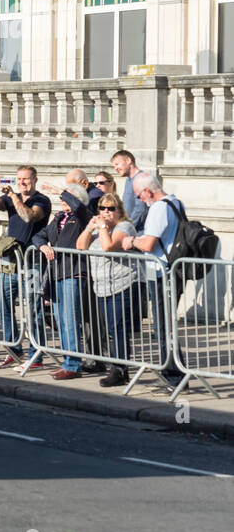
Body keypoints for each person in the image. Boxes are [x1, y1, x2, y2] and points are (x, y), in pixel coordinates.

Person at [0, 165, 52, 368]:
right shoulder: (9, 198)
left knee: (33, 310)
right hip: (11, 261)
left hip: (32, 263)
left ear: (35, 180)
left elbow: (28, 216)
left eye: (26, 179)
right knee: (2, 307)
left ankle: (36, 354)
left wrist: (13, 196)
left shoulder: (41, 200)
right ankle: (14, 349)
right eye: (19, 179)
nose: (22, 182)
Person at [120, 173, 186, 388]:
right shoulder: (176, 201)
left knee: (163, 327)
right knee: (166, 326)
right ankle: (175, 373)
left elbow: (148, 244)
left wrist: (131, 241)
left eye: (139, 195)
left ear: (148, 191)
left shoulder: (158, 207)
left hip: (162, 273)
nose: (139, 200)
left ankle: (174, 375)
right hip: (171, 271)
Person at [76, 195, 139, 388]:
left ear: (119, 210)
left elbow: (108, 247)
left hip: (122, 284)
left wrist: (102, 227)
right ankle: (118, 368)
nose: (106, 212)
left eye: (111, 208)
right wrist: (89, 228)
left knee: (118, 329)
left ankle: (119, 370)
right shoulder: (100, 229)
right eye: (102, 208)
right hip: (103, 287)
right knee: (111, 328)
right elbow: (80, 246)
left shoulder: (124, 227)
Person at [37, 183, 93, 379]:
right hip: (57, 273)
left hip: (74, 272)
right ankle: (67, 360)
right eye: (62, 198)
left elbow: (79, 208)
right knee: (61, 320)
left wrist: (60, 191)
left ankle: (73, 364)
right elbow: (39, 235)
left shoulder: (82, 216)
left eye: (67, 197)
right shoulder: (59, 217)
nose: (62, 201)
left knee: (70, 320)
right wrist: (43, 246)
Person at [111, 150, 151, 231]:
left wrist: (127, 228)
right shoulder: (129, 180)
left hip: (139, 232)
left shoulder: (141, 179)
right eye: (114, 166)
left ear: (128, 160)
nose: (116, 168)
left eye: (117, 164)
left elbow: (141, 209)